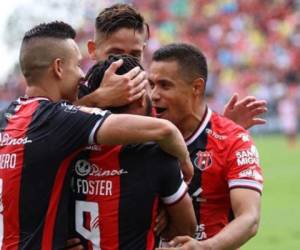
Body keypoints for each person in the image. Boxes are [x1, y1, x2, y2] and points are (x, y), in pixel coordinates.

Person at [0, 22, 193, 249]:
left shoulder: (7, 118)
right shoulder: (58, 120)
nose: (82, 75)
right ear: (59, 68)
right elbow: (165, 130)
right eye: (77, 65)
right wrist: (186, 164)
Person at [69, 54, 196, 250]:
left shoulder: (67, 148)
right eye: (148, 90)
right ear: (138, 99)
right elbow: (185, 229)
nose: (153, 96)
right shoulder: (157, 152)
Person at [77, 3, 267, 130]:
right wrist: (98, 99)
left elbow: (190, 152)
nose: (125, 62)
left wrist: (225, 130)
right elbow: (48, 126)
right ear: (93, 50)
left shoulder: (155, 100)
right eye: (115, 53)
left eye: (135, 54)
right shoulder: (73, 91)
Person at [148, 43, 263, 250]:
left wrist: (205, 247)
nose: (154, 94)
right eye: (152, 84)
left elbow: (249, 218)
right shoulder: (139, 131)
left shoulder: (233, 140)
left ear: (197, 87)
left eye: (165, 85)